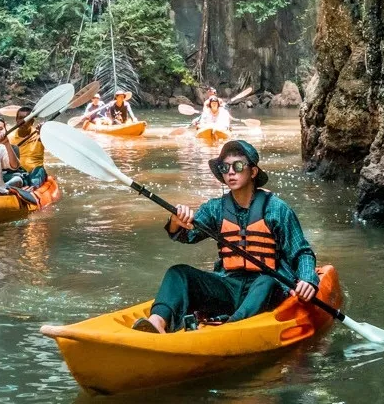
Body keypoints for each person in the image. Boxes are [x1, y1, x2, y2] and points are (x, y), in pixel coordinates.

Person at [132, 140, 318, 333]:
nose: (230, 172)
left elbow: (302, 252)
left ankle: (229, 328)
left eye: (238, 166)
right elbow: (187, 235)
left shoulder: (276, 209)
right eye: (224, 167)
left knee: (267, 281)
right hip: (229, 285)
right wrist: (176, 220)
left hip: (266, 287)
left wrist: (307, 279)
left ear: (253, 172)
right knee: (178, 272)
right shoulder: (216, 208)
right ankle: (157, 323)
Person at [3, 107, 49, 201]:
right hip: (18, 173)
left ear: (32, 122)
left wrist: (46, 132)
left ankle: (32, 190)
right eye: (19, 118)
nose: (22, 121)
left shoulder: (40, 135)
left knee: (39, 170)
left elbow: (55, 146)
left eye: (26, 119)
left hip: (35, 172)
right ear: (16, 120)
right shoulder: (9, 138)